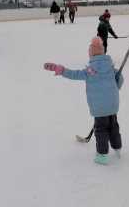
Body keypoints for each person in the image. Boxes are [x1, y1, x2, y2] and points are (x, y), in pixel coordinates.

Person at [43, 37, 124, 165]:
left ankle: (102, 155)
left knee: (101, 129)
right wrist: (116, 86)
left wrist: (60, 69)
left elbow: (74, 74)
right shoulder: (111, 68)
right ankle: (117, 147)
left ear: (91, 54)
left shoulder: (90, 71)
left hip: (99, 107)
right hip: (113, 104)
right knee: (113, 126)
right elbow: (120, 80)